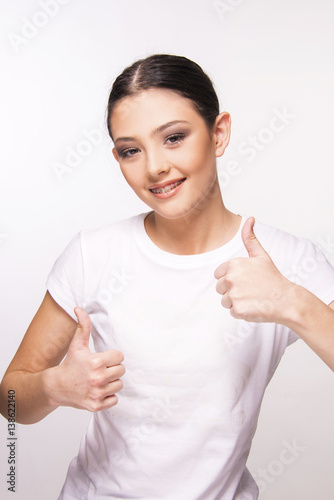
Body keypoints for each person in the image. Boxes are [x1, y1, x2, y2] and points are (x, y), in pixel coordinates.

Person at [1, 53, 334, 500]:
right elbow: (10, 399)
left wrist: (294, 303)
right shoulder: (92, 255)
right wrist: (53, 386)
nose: (154, 166)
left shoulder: (286, 260)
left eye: (174, 138)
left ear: (219, 133)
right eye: (131, 150)